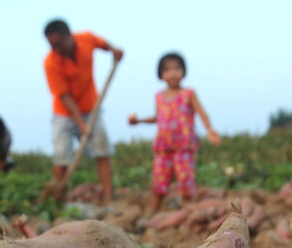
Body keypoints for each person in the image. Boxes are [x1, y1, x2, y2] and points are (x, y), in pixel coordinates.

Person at [43, 19, 123, 203]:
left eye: (58, 44)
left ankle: (109, 196)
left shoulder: (86, 39)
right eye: (51, 45)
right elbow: (64, 96)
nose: (56, 49)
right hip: (63, 114)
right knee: (62, 156)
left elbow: (102, 44)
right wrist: (81, 123)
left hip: (91, 108)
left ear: (68, 36)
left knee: (101, 151)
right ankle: (57, 198)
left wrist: (114, 51)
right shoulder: (51, 63)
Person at [128, 51, 220, 211]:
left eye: (177, 68)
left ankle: (187, 210)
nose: (172, 73)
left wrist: (209, 129)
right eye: (167, 70)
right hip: (164, 147)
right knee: (159, 181)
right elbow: (159, 118)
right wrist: (139, 121)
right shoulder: (159, 96)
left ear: (184, 71)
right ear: (160, 74)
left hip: (183, 146)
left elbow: (200, 111)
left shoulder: (188, 94)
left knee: (186, 181)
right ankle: (154, 210)